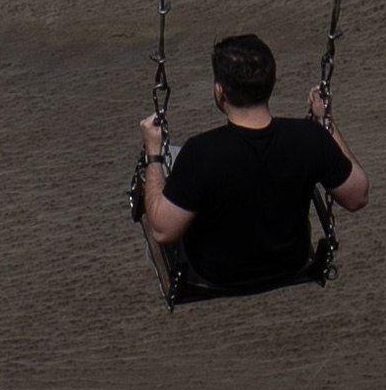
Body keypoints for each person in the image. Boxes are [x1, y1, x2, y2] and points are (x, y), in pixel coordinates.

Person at [136, 32, 367, 301]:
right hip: (290, 264)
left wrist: (153, 153)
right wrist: (326, 123)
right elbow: (357, 196)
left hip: (216, 274)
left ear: (219, 90)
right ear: (272, 83)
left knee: (167, 168)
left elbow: (163, 232)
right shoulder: (309, 137)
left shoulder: (200, 152)